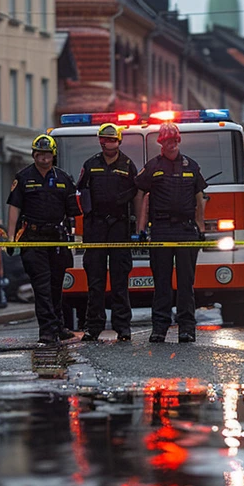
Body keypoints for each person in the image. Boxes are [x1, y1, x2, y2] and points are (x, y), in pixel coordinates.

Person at [135, 122, 207, 344]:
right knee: (162, 282)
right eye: (167, 140)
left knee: (186, 283)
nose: (171, 144)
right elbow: (140, 195)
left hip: (186, 230)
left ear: (179, 141)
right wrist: (140, 227)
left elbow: (199, 199)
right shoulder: (152, 167)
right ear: (161, 143)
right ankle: (160, 328)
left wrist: (201, 227)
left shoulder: (191, 166)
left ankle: (187, 329)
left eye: (174, 140)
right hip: (161, 229)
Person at [7, 134, 81, 345]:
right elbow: (14, 208)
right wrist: (11, 237)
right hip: (33, 239)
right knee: (42, 286)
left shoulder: (64, 178)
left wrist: (74, 238)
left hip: (57, 240)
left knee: (56, 285)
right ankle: (47, 330)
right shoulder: (23, 178)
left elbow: (72, 214)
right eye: (40, 154)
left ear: (53, 156)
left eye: (47, 154)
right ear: (34, 155)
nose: (44, 158)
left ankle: (57, 325)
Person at [76, 121, 144, 342]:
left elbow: (136, 195)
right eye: (105, 139)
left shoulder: (127, 165)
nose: (109, 143)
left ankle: (122, 326)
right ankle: (93, 327)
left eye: (112, 139)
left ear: (119, 141)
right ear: (100, 141)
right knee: (95, 281)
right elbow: (82, 192)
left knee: (119, 279)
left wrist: (136, 225)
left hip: (119, 226)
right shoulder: (91, 164)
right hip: (95, 227)